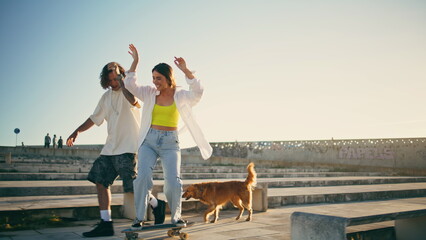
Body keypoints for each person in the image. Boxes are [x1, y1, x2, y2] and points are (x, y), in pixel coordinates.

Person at [66, 60, 165, 237]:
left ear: (121, 77)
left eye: (116, 79)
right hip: (110, 148)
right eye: (110, 80)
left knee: (133, 187)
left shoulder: (131, 91)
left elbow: (134, 101)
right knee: (100, 181)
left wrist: (123, 81)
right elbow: (94, 118)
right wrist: (76, 131)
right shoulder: (105, 98)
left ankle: (156, 204)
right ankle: (106, 223)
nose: (113, 83)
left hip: (129, 147)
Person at [123, 44, 212, 230]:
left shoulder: (181, 95)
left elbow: (199, 92)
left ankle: (176, 217)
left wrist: (186, 70)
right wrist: (135, 61)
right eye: (153, 78)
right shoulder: (148, 92)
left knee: (173, 181)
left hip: (171, 143)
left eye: (159, 78)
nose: (155, 81)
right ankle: (139, 217)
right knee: (142, 178)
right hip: (148, 141)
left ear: (168, 77)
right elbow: (129, 84)